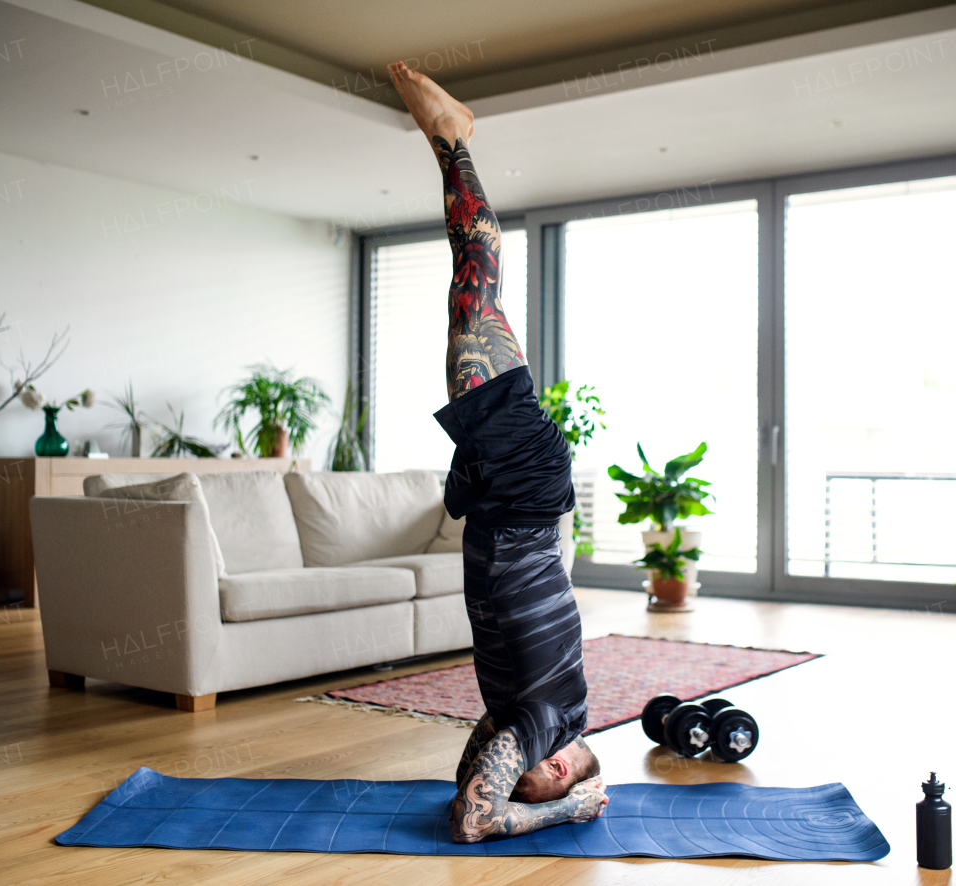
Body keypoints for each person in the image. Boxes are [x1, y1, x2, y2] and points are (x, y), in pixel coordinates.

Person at [386, 59, 609, 844]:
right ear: (575, 757)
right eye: (562, 770)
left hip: (509, 505)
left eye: (540, 777)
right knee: (474, 287)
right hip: (522, 498)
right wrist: (570, 807)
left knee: (475, 294)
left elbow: (469, 789)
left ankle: (454, 139)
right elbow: (473, 824)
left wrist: (553, 791)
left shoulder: (525, 722)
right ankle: (452, 137)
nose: (538, 771)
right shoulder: (552, 719)